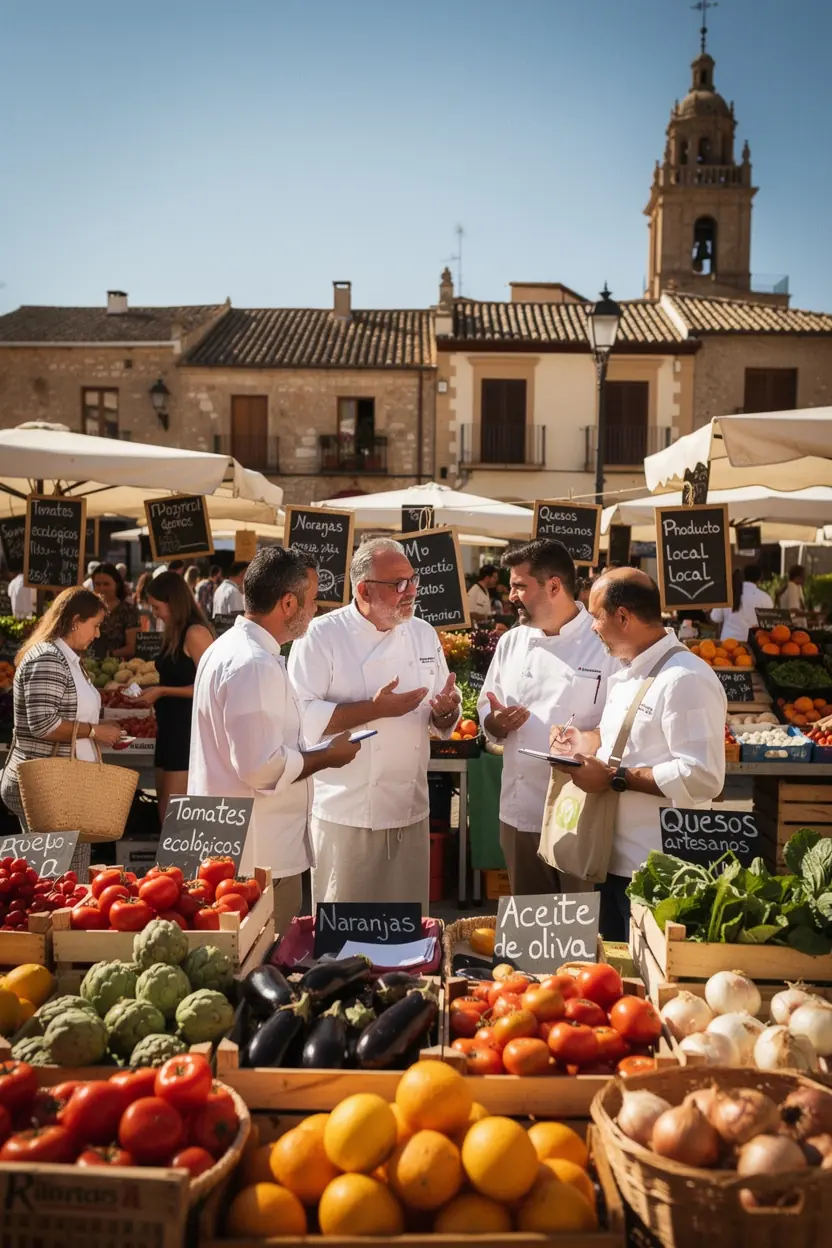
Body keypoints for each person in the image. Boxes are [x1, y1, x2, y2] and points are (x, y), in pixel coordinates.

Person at [189, 547, 362, 935]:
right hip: (258, 858)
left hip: (233, 845)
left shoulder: (226, 649)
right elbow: (259, 767)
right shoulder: (254, 662)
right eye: (312, 599)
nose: (316, 609)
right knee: (262, 956)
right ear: (288, 603)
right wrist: (327, 756)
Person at [551, 568, 727, 941]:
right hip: (612, 860)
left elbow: (702, 776)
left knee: (647, 970)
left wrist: (616, 778)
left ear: (623, 617)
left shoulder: (685, 679)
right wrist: (581, 742)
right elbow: (620, 739)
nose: (592, 627)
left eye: (596, 616)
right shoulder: (631, 670)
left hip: (659, 873)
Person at [289, 537, 461, 910]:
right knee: (345, 925)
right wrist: (374, 708)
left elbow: (441, 711)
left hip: (409, 808)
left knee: (407, 925)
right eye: (399, 584)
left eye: (413, 580)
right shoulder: (321, 635)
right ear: (364, 590)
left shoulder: (423, 633)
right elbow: (302, 716)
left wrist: (446, 712)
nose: (411, 591)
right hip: (345, 812)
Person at [478, 540, 617, 895]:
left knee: (580, 920)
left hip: (581, 813)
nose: (510, 595)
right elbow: (486, 712)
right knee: (530, 918)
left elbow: (623, 725)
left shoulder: (605, 643)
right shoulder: (511, 642)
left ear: (554, 586)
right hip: (520, 810)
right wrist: (496, 722)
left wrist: (587, 740)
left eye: (519, 586)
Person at [0, 587, 124, 876]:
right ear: (75, 621)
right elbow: (43, 724)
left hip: (64, 786)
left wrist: (101, 730)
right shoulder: (48, 659)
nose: (97, 634)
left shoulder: (66, 658)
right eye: (95, 625)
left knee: (69, 875)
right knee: (57, 877)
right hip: (48, 787)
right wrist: (94, 732)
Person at [133, 572, 215, 822]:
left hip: (187, 732)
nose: (154, 613)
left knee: (174, 817)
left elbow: (210, 687)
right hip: (169, 729)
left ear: (174, 602)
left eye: (157, 607)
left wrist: (162, 691)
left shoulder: (195, 633)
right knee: (166, 810)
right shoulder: (174, 632)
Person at [710, 564, 774, 641]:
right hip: (753, 644)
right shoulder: (765, 598)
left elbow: (715, 618)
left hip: (728, 643)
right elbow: (769, 623)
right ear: (759, 579)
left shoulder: (729, 593)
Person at [92, 563, 139, 659]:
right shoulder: (86, 609)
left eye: (106, 584)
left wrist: (107, 655)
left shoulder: (128, 611)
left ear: (117, 585)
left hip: (118, 666)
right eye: (97, 584)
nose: (101, 588)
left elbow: (131, 648)